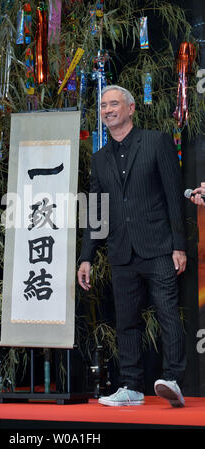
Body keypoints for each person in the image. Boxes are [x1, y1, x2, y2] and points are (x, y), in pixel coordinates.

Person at [78, 85, 187, 407]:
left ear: (130, 108)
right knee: (126, 321)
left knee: (167, 313)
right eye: (102, 106)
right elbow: (95, 211)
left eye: (114, 104)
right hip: (121, 251)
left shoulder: (156, 142)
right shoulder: (98, 159)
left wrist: (178, 246)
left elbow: (173, 197)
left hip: (158, 246)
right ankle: (132, 387)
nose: (108, 110)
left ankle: (173, 380)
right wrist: (86, 257)